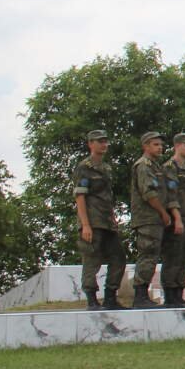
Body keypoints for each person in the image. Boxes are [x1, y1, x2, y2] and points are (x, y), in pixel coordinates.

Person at [73, 129, 124, 310]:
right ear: (90, 144)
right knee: (91, 260)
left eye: (105, 141)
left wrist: (112, 217)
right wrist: (85, 225)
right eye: (99, 141)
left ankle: (110, 297)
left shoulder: (106, 168)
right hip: (92, 221)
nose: (104, 144)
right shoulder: (84, 167)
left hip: (107, 221)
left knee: (118, 257)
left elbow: (107, 197)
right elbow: (80, 197)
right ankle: (92, 300)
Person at [126, 131, 172, 309]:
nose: (160, 148)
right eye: (155, 144)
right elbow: (149, 193)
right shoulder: (144, 165)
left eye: (160, 145)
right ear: (145, 146)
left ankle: (143, 295)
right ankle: (140, 296)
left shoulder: (155, 165)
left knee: (152, 256)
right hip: (148, 218)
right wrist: (163, 212)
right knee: (148, 255)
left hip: (154, 219)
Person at [158, 133, 185, 309]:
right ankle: (170, 294)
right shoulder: (169, 167)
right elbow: (171, 196)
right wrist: (177, 218)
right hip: (177, 220)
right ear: (177, 146)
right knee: (173, 258)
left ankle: (179, 293)